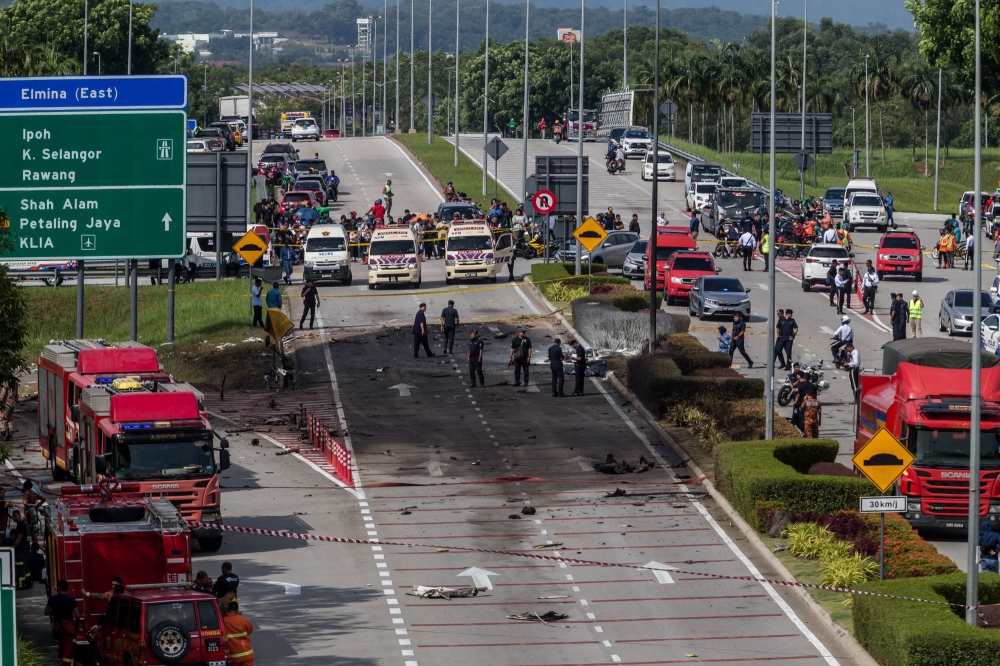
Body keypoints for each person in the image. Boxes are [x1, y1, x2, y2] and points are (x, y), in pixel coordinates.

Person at [45, 579, 79, 666]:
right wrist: (76, 625)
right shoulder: (71, 600)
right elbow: (77, 615)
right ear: (67, 589)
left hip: (58, 629)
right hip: (69, 629)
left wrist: (53, 610)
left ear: (58, 588)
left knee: (64, 651)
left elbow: (46, 612)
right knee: (69, 653)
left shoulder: (52, 599)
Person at [10, 509, 29, 588]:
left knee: (20, 565)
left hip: (21, 549)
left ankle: (21, 584)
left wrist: (13, 547)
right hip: (23, 548)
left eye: (16, 516)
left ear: (19, 516)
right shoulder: (20, 524)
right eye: (13, 517)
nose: (14, 518)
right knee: (24, 566)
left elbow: (19, 539)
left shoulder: (21, 525)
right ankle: (28, 582)